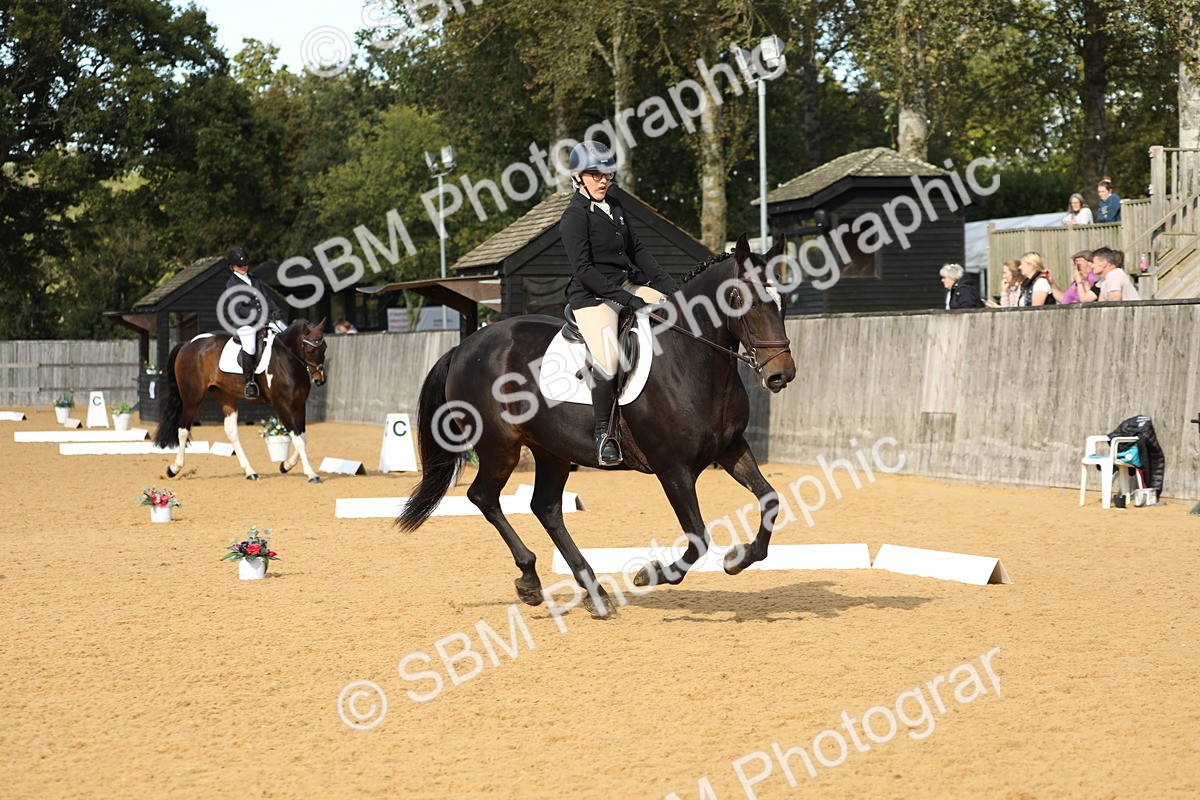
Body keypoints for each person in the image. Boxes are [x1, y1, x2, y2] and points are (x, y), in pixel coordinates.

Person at [560, 140, 680, 466]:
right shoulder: (573, 217)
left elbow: (639, 251)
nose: (602, 181)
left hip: (626, 284)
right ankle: (604, 434)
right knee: (610, 358)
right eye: (595, 175)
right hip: (593, 298)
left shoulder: (615, 207)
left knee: (676, 314)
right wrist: (628, 299)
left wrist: (674, 289)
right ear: (578, 178)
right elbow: (584, 270)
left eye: (607, 175)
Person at [224, 247, 284, 398]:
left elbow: (266, 298)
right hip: (245, 323)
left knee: (285, 332)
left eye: (245, 265)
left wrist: (275, 310)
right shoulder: (231, 284)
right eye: (240, 266)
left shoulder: (255, 279)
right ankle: (249, 382)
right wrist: (258, 316)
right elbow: (238, 308)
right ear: (232, 267)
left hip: (264, 319)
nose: (243, 268)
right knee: (250, 347)